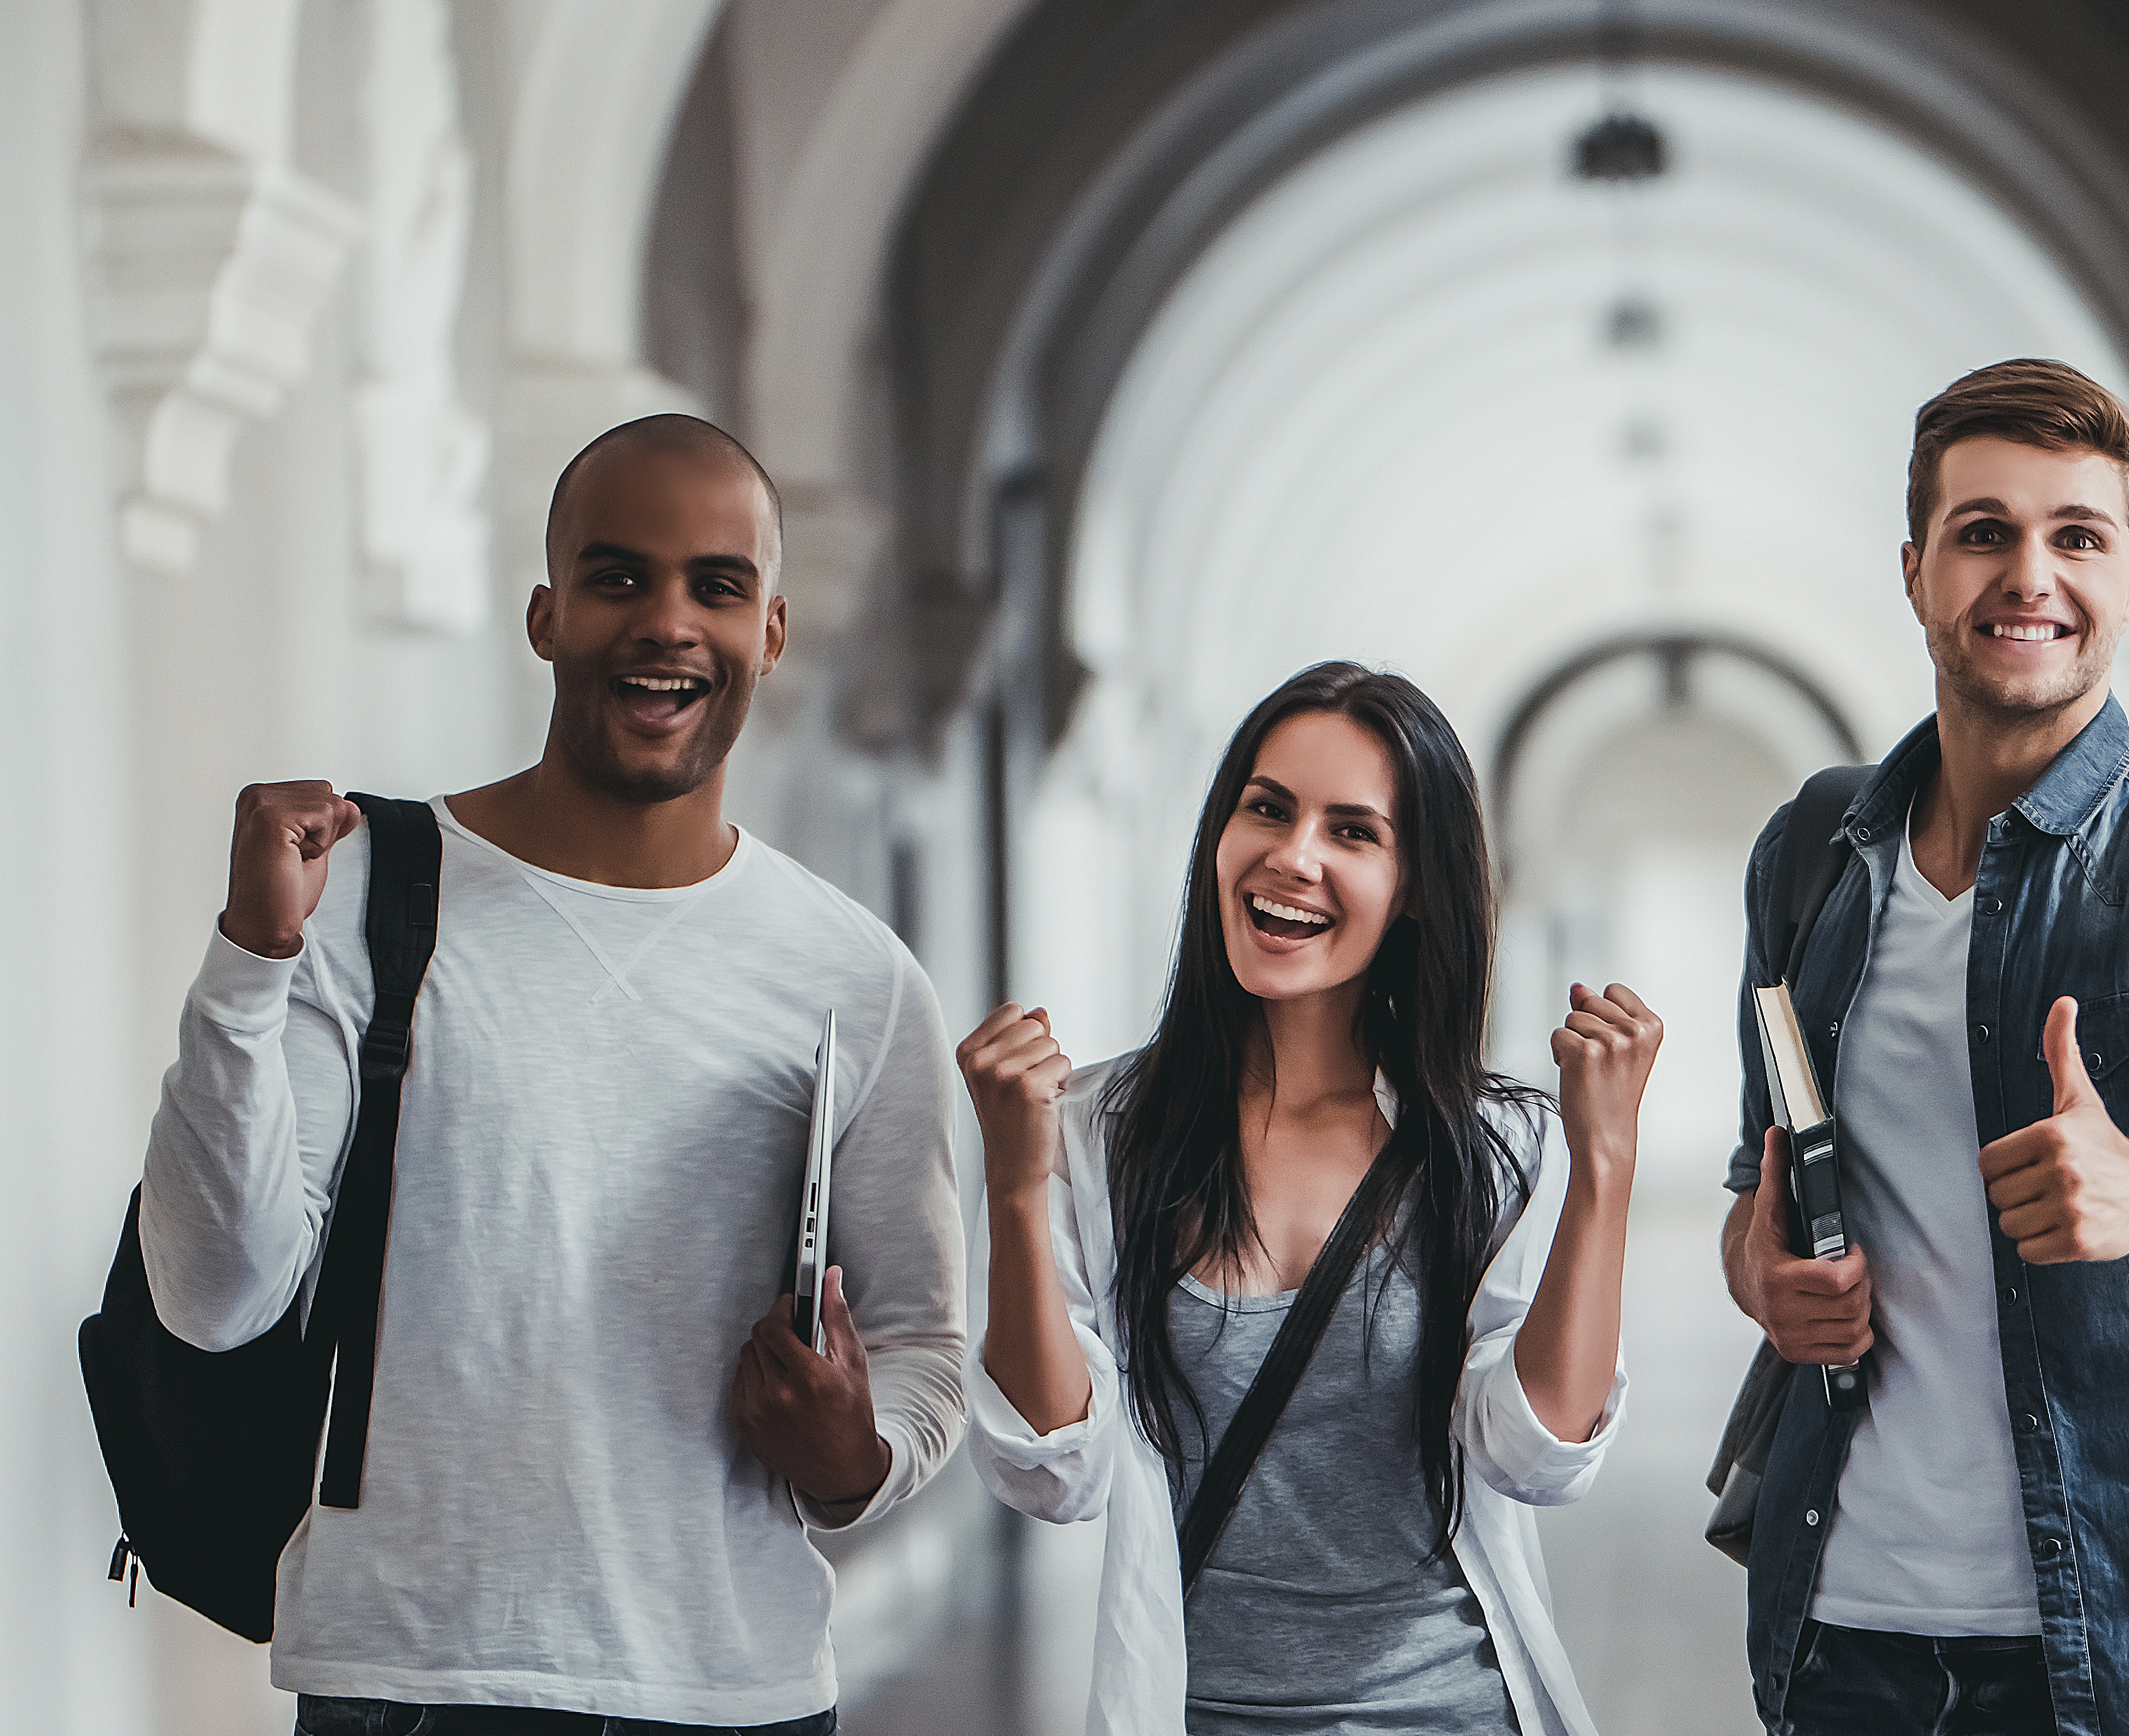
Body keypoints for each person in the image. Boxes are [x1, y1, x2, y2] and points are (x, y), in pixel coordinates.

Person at [144, 414, 970, 1734]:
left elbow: (927, 1346)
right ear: (544, 615)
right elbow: (213, 1298)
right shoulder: (358, 897)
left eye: (718, 585)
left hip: (730, 1687)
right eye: (618, 577)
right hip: (407, 1680)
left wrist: (855, 1460)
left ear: (771, 632)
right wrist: (251, 957)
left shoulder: (852, 977)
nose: (667, 622)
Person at [1722, 359, 2129, 1736]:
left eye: (2076, 536)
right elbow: (1761, 1194)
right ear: (1916, 573)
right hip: (1846, 1638)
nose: (2030, 574)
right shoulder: (1810, 857)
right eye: (1984, 533)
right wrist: (1768, 1281)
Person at [960, 661, 1658, 1736]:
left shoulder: (1496, 1147)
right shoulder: (1098, 1132)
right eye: (1269, 809)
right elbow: (1054, 1471)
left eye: (1354, 832)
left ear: (1416, 884)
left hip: (1450, 1712)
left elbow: (1539, 1454)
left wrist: (1603, 1166)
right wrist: (1012, 1184)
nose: (1295, 857)